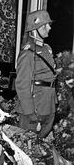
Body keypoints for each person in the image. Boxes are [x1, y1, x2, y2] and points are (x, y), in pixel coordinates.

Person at [15, 9, 57, 139]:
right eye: (45, 25)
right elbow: (22, 85)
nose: (49, 27)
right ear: (35, 28)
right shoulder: (28, 53)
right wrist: (30, 113)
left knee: (42, 149)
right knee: (28, 149)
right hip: (35, 108)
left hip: (48, 105)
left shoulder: (47, 49)